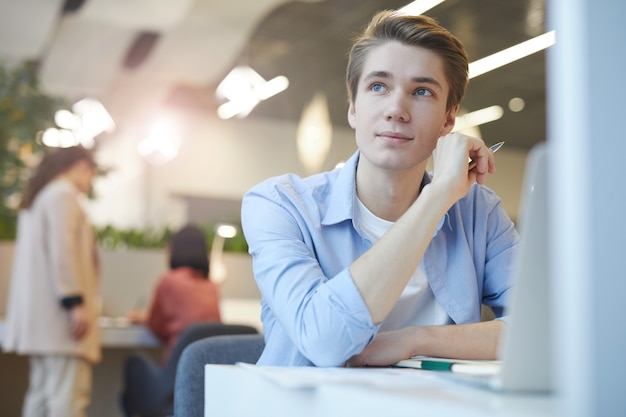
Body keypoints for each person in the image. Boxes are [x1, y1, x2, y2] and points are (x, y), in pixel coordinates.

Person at [240, 10, 519, 367]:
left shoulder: (478, 213)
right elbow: (324, 340)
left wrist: (413, 340)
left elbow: (547, 329)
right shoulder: (280, 205)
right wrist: (437, 197)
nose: (396, 109)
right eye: (378, 87)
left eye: (421, 91)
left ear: (449, 118)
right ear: (353, 107)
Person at [2, 146, 100, 417]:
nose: (89, 182)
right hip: (61, 321)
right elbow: (64, 251)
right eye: (91, 173)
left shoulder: (41, 198)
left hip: (41, 321)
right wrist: (75, 302)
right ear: (82, 166)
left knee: (42, 395)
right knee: (67, 398)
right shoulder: (63, 196)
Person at [128, 224, 221, 364]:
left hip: (178, 368)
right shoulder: (211, 286)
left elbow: (157, 327)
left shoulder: (168, 281)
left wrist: (142, 317)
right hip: (207, 369)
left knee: (132, 363)